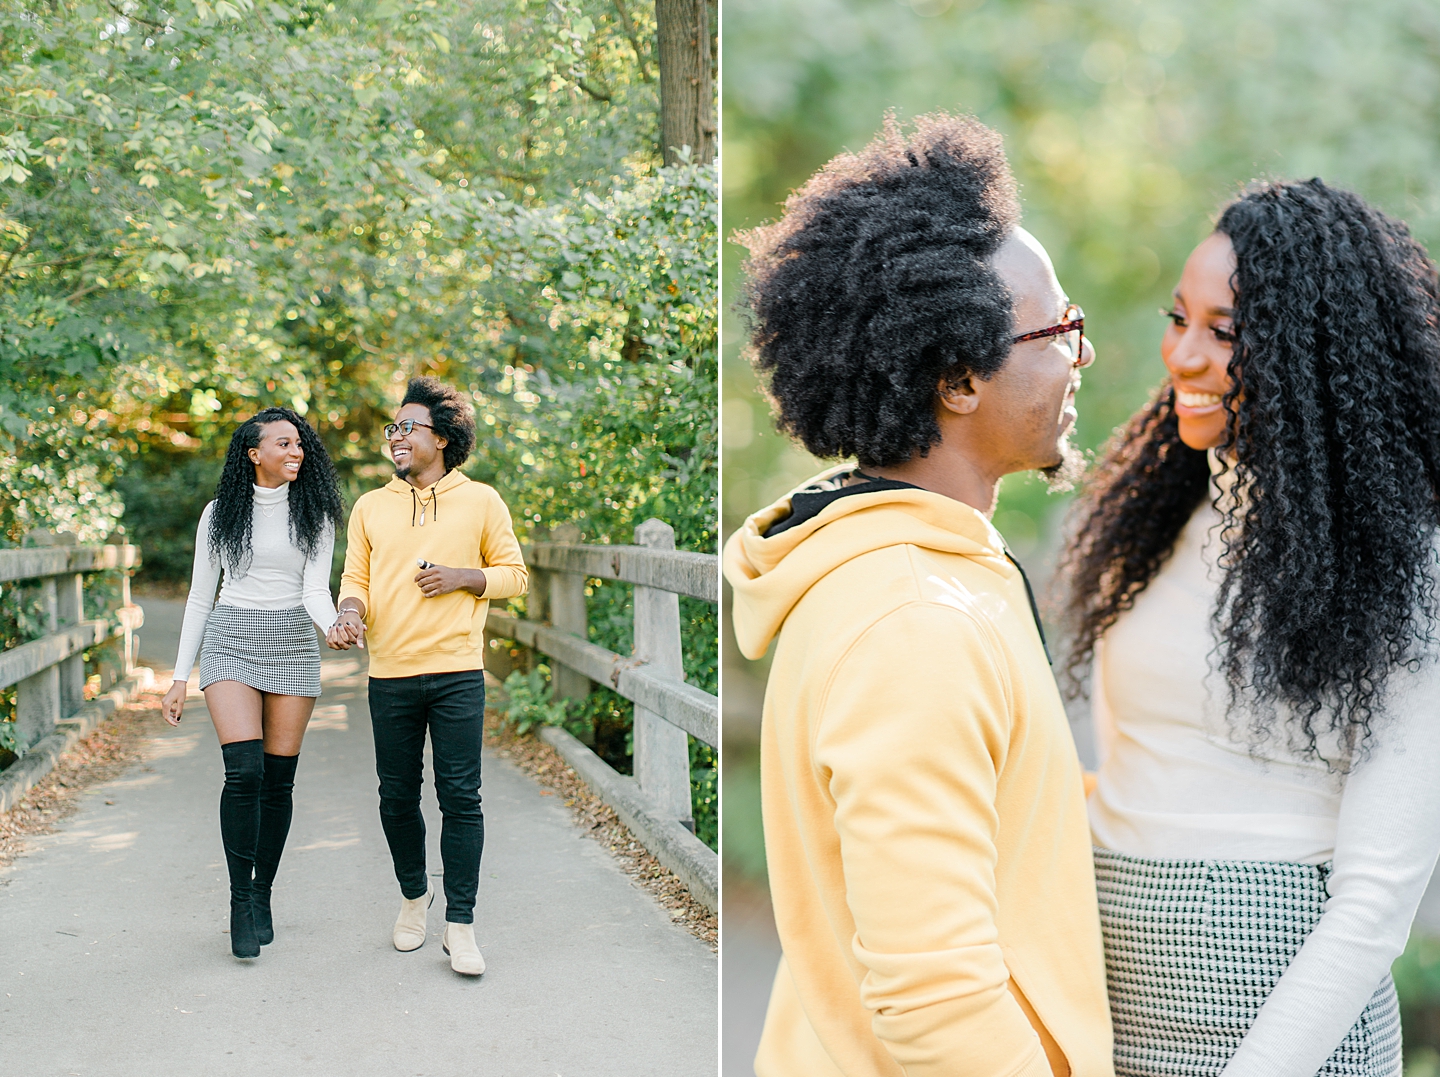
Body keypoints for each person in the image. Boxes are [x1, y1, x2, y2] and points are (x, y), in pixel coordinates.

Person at [723, 112, 1113, 1077]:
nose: (1081, 355)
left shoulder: (911, 574)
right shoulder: (912, 622)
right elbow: (937, 1004)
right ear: (956, 379)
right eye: (1059, 329)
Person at [1059, 178, 1440, 1075]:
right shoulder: (1154, 521)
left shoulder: (1402, 566)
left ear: (1317, 353)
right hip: (1115, 1013)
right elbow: (1131, 771)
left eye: (1225, 332)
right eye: (1178, 317)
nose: (1183, 356)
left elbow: (1377, 900)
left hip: (1286, 1036)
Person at [328, 376, 527, 977]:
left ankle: (460, 925)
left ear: (439, 437)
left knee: (461, 798)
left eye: (405, 427)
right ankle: (415, 898)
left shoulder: (483, 501)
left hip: (458, 673)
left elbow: (515, 576)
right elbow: (355, 581)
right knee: (397, 797)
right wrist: (348, 613)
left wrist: (465, 577)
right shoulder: (369, 506)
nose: (395, 436)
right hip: (389, 673)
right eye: (392, 428)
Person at [161, 407, 345, 960]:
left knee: (278, 781)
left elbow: (314, 588)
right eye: (284, 444)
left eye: (299, 444)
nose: (296, 452)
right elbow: (200, 597)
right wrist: (177, 678)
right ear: (253, 453)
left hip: (290, 636)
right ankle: (240, 900)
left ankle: (263, 892)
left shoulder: (316, 514)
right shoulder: (220, 514)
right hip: (232, 635)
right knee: (244, 772)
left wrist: (333, 621)